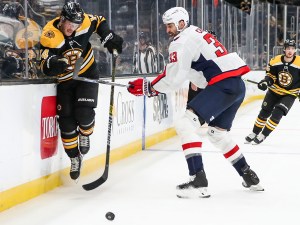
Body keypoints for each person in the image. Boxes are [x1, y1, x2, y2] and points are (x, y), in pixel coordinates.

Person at [127, 7, 263, 198]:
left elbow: (173, 77)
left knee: (184, 123)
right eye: (166, 26)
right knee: (217, 134)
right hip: (236, 85)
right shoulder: (197, 33)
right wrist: (156, 85)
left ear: (182, 23)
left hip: (222, 85)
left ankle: (197, 179)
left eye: (170, 26)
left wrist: (148, 87)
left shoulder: (181, 42)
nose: (168, 30)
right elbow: (192, 71)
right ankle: (248, 175)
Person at [39, 2, 123, 180]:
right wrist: (54, 64)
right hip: (65, 81)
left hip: (87, 74)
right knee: (67, 123)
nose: (72, 27)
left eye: (76, 24)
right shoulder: (50, 34)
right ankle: (74, 158)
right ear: (62, 18)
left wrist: (108, 36)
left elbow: (99, 21)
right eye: (69, 22)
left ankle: (85, 133)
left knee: (84, 114)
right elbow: (44, 62)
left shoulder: (85, 22)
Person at [245, 39, 300, 145]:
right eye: (288, 48)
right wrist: (266, 82)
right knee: (263, 113)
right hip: (274, 91)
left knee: (277, 113)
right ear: (284, 49)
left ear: (295, 50)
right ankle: (254, 132)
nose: (290, 51)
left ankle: (263, 135)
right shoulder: (275, 60)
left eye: (292, 49)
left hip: (289, 94)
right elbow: (271, 76)